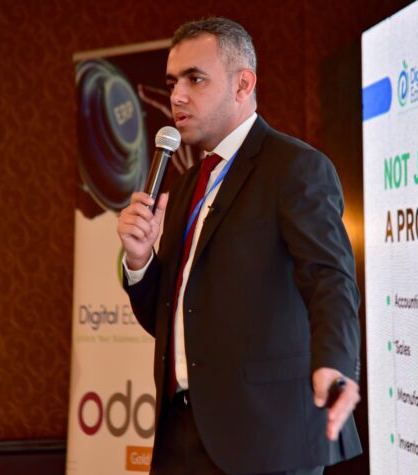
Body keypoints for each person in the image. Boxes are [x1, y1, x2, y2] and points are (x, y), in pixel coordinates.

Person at [117, 17, 362, 475]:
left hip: (268, 435)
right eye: (172, 83)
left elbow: (330, 279)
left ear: (243, 84)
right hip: (181, 433)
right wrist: (139, 260)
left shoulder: (294, 168)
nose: (177, 96)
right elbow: (170, 317)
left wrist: (335, 362)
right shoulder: (186, 185)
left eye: (195, 79)